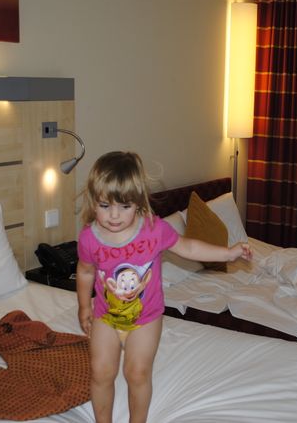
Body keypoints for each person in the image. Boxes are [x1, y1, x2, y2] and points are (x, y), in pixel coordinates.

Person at [76, 151, 252, 423]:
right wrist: (83, 306)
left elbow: (188, 247)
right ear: (93, 200)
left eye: (124, 206)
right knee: (101, 372)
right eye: (104, 205)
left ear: (138, 202)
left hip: (146, 319)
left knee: (137, 373)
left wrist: (228, 253)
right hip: (106, 317)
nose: (114, 215)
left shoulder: (153, 230)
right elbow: (85, 271)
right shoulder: (89, 238)